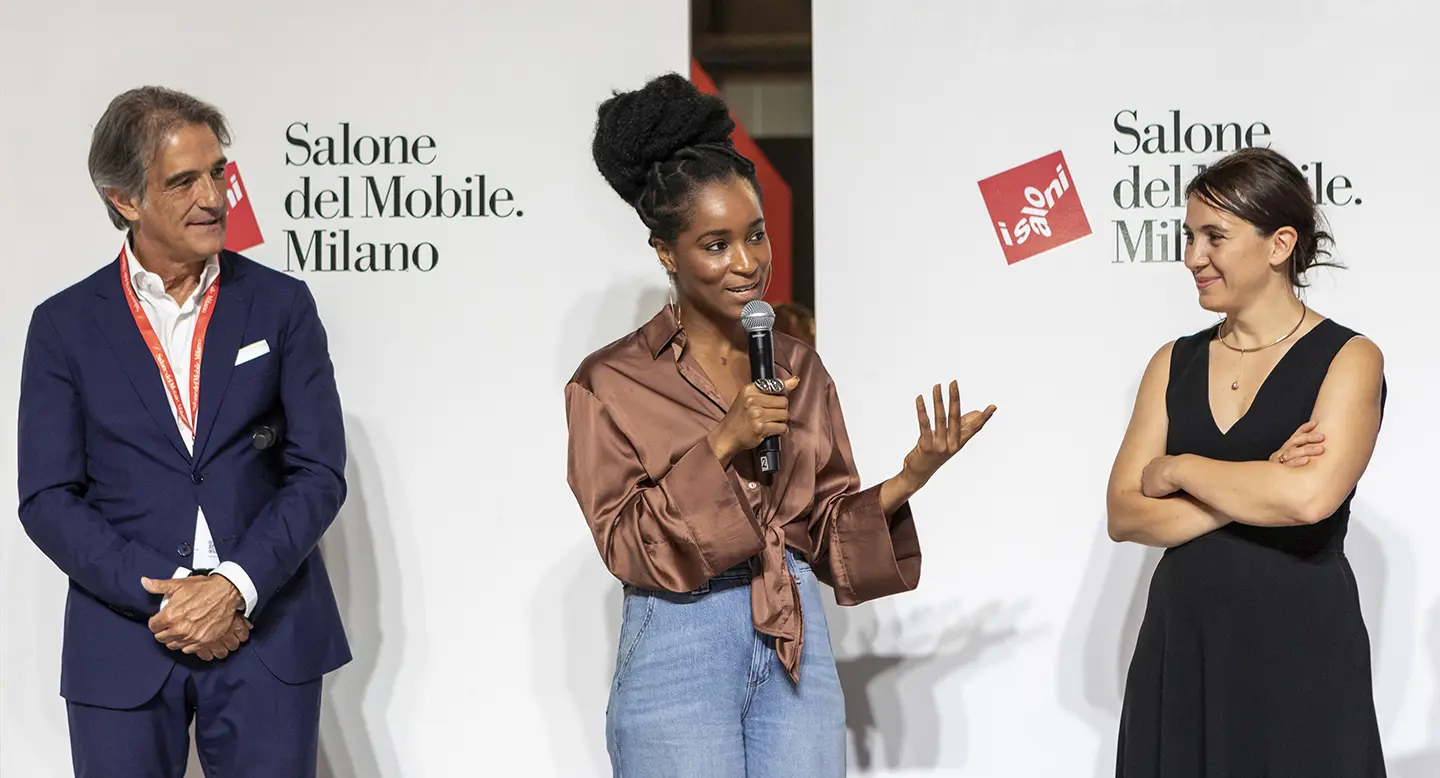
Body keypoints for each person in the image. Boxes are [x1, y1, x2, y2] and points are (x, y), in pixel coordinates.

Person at [565, 72, 998, 777]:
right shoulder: (610, 382)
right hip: (679, 640)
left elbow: (824, 530)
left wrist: (911, 477)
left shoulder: (798, 364)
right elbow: (624, 542)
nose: (747, 264)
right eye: (716, 244)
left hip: (796, 636)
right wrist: (723, 442)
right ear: (666, 253)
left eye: (756, 236)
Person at [17, 86, 350, 777]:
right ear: (124, 199)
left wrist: (231, 586)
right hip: (122, 639)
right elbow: (47, 498)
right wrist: (168, 594)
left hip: (267, 633)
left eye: (218, 172)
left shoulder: (281, 304)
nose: (214, 197)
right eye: (184, 180)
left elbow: (318, 472)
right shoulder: (63, 325)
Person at [1106, 146, 1386, 776]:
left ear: (1279, 243)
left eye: (1215, 237)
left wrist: (1177, 472)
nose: (1193, 257)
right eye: (1189, 236)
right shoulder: (1171, 362)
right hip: (1186, 644)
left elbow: (1308, 499)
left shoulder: (1350, 357)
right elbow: (1124, 513)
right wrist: (1258, 480)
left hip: (1300, 647)